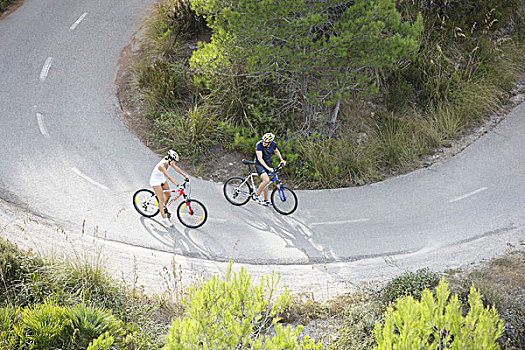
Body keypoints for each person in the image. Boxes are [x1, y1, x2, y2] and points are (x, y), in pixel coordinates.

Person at [149, 149, 189, 227]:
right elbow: (169, 177)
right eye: (174, 161)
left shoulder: (169, 161)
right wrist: (178, 185)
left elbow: (175, 168)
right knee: (161, 200)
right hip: (155, 181)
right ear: (170, 159)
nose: (174, 163)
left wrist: (184, 175)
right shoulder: (162, 166)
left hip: (161, 179)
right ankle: (164, 219)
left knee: (168, 195)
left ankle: (163, 208)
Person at [253, 132, 286, 206]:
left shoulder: (273, 144)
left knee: (266, 183)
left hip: (267, 164)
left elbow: (276, 151)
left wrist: (281, 160)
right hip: (259, 165)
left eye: (266, 142)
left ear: (270, 142)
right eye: (263, 141)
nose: (264, 143)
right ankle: (256, 195)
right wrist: (268, 168)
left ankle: (266, 200)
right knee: (266, 180)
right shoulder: (259, 145)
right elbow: (260, 158)